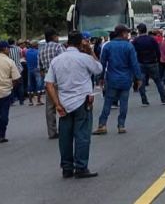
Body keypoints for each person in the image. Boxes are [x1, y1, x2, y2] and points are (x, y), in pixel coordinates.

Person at [44, 31, 103, 179]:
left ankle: (67, 168)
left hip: (64, 103)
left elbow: (49, 84)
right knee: (82, 135)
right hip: (82, 101)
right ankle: (81, 167)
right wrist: (90, 51)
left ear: (67, 43)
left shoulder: (56, 60)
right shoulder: (84, 58)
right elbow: (99, 69)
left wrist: (57, 104)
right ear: (81, 43)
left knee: (65, 137)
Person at [93, 24, 142, 135]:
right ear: (123, 33)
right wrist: (138, 78)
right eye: (127, 33)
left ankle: (102, 125)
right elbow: (134, 63)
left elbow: (102, 63)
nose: (128, 35)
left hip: (111, 78)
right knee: (124, 103)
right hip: (126, 79)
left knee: (108, 102)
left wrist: (100, 77)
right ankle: (121, 125)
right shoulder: (129, 46)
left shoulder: (108, 46)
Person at [133, 23, 165, 106]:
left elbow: (133, 52)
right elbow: (158, 51)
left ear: (139, 31)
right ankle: (163, 99)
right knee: (158, 81)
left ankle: (144, 100)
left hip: (141, 62)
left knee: (141, 82)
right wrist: (158, 60)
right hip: (152, 62)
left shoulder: (136, 41)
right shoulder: (152, 39)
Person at [39, 28, 66, 139]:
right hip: (60, 80)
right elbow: (65, 62)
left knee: (50, 108)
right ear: (54, 37)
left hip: (48, 81)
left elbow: (40, 69)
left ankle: (52, 132)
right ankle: (65, 129)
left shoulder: (41, 50)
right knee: (64, 104)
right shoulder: (59, 47)